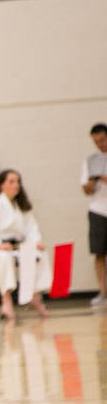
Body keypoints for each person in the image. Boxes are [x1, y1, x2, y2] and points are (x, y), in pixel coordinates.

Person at [0, 170, 51, 320]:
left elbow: (31, 229)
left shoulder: (22, 206)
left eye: (18, 182)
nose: (16, 185)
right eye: (11, 182)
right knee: (4, 257)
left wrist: (36, 242)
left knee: (39, 254)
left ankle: (35, 295)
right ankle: (6, 299)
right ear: (2, 184)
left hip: (17, 247)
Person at [82, 123, 107, 306]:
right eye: (96, 142)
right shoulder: (90, 161)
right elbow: (85, 189)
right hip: (97, 210)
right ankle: (102, 292)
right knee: (99, 253)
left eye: (102, 140)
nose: (100, 144)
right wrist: (92, 181)